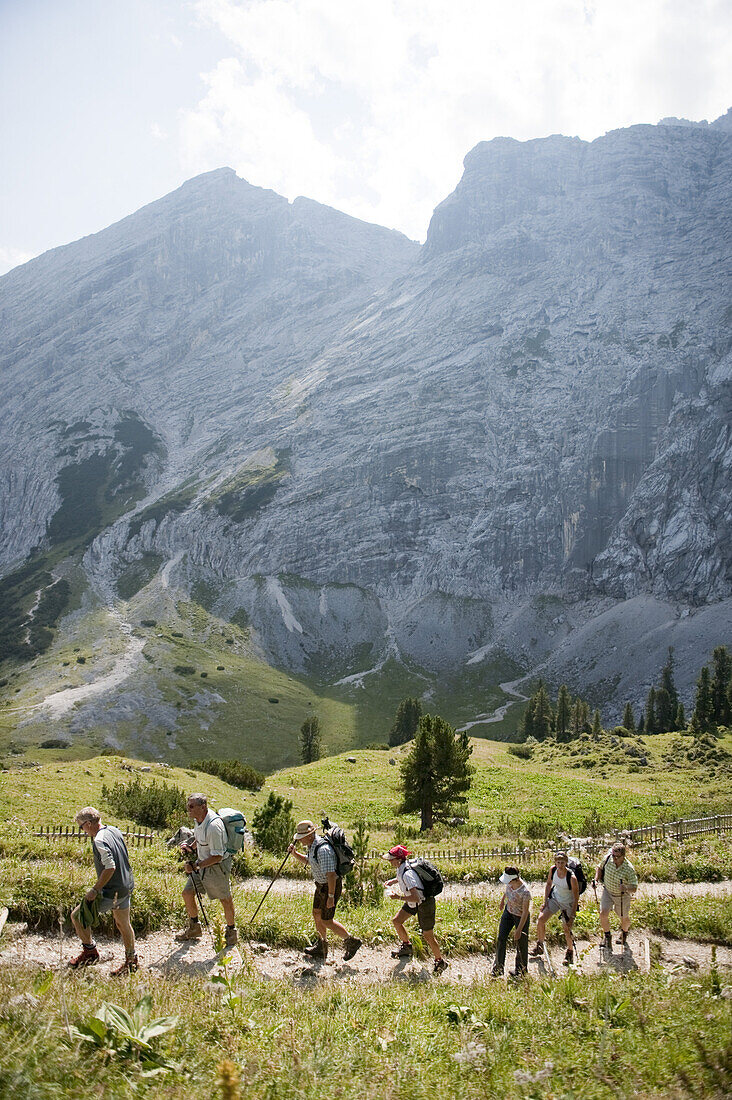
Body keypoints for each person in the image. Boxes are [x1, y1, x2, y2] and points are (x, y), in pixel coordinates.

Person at [68, 806, 137, 975]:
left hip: (111, 891)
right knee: (123, 924)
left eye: (81, 826)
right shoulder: (114, 830)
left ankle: (90, 952)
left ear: (89, 823)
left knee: (77, 916)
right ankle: (131, 960)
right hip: (126, 886)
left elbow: (110, 867)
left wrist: (95, 889)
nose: (82, 830)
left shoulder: (99, 840)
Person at [287, 820, 362, 962]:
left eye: (301, 837)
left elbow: (331, 875)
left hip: (330, 887)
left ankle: (351, 941)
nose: (299, 840)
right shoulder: (312, 846)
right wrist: (295, 854)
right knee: (316, 913)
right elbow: (309, 861)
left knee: (327, 920)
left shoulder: (323, 850)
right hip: (321, 886)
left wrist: (331, 896)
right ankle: (321, 945)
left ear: (309, 835)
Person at [176, 793, 237, 948]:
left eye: (191, 806)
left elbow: (217, 856)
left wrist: (196, 866)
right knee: (187, 893)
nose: (188, 809)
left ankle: (231, 933)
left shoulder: (214, 826)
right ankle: (195, 928)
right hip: (202, 865)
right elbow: (200, 838)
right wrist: (191, 847)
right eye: (187, 805)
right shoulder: (199, 820)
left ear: (202, 807)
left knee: (225, 899)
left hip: (216, 868)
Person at [383, 845, 447, 974]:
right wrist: (393, 881)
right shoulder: (402, 868)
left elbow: (416, 897)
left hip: (424, 903)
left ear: (398, 860)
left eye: (391, 859)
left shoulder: (407, 873)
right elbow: (405, 879)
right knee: (397, 921)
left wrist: (397, 897)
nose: (389, 861)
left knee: (428, 935)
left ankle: (440, 961)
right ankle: (406, 946)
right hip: (413, 901)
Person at [530, 851, 580, 965]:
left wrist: (572, 915)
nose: (560, 865)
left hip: (568, 903)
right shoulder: (552, 870)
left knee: (567, 928)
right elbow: (548, 884)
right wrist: (546, 901)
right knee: (541, 919)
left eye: (562, 862)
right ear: (555, 863)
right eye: (558, 862)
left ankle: (570, 952)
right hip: (555, 899)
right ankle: (540, 945)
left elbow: (576, 897)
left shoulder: (572, 877)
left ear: (566, 863)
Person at [595, 841, 638, 951]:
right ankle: (607, 936)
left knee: (623, 917)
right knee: (603, 913)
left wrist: (626, 888)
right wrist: (596, 880)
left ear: (623, 856)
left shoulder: (628, 869)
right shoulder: (608, 858)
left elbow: (634, 887)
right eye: (613, 855)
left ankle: (624, 933)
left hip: (622, 896)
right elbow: (599, 868)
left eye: (617, 857)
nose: (614, 858)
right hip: (608, 892)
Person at [492, 866, 531, 978]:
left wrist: (519, 930)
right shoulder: (509, 883)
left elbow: (525, 912)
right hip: (508, 912)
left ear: (514, 879)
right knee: (501, 938)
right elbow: (507, 891)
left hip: (520, 917)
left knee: (521, 943)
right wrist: (502, 900)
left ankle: (521, 971)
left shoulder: (525, 892)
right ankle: (498, 968)